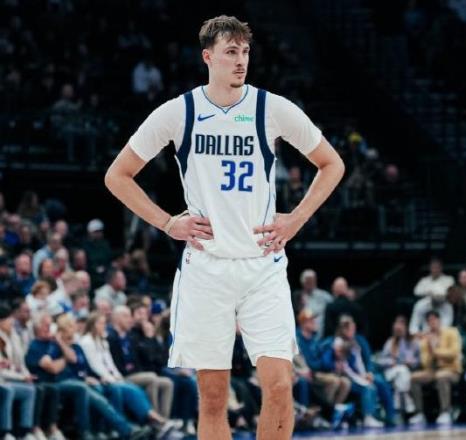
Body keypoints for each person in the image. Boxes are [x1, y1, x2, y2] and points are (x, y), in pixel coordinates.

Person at [104, 15, 345, 440]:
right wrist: (167, 222)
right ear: (208, 57)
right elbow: (117, 175)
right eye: (231, 52)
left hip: (262, 265)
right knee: (213, 397)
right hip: (207, 269)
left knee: (280, 386)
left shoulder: (272, 108)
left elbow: (332, 163)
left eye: (245, 52)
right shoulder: (180, 112)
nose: (240, 61)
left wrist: (297, 217)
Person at [78, 312, 172, 434]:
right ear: (93, 325)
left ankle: (154, 420)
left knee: (134, 389)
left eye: (104, 323)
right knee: (128, 390)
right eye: (101, 323)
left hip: (111, 377)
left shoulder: (102, 341)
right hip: (100, 378)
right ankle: (151, 420)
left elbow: (110, 363)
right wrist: (112, 379)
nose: (104, 326)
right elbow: (95, 366)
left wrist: (118, 377)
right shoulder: (87, 341)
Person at [333, 315, 395, 428]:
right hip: (349, 377)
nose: (352, 331)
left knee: (381, 381)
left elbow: (365, 360)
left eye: (352, 328)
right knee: (369, 387)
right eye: (348, 328)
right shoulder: (337, 343)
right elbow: (345, 368)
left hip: (362, 374)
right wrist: (360, 378)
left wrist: (368, 373)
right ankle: (368, 417)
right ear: (342, 329)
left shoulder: (358, 340)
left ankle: (390, 416)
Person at [409, 311, 462, 426]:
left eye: (434, 319)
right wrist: (430, 347)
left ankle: (445, 412)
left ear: (439, 320)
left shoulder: (452, 332)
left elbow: (453, 353)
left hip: (451, 370)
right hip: (432, 371)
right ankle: (419, 413)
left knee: (441, 376)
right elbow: (425, 362)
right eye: (429, 321)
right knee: (414, 378)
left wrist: (435, 350)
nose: (432, 322)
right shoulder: (426, 338)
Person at [0, 302, 37, 440]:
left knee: (30, 390)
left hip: (11, 377)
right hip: (4, 379)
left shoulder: (13, 335)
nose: (11, 322)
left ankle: (24, 431)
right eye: (8, 319)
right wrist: (21, 378)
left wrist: (26, 375)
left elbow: (20, 362)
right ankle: (4, 432)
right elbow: (2, 369)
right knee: (7, 390)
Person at [379, 315, 420, 414]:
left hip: (408, 372)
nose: (399, 327)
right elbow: (381, 361)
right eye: (397, 325)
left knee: (403, 371)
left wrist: (412, 362)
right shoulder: (390, 342)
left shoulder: (413, 342)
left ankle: (398, 398)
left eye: (401, 325)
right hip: (391, 371)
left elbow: (418, 360)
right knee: (402, 370)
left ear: (406, 327)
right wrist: (391, 362)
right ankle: (407, 399)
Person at [292, 269, 332, 336]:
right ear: (303, 282)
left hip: (322, 332)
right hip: (305, 335)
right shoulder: (298, 297)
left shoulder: (323, 295)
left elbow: (334, 304)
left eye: (313, 280)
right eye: (308, 281)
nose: (311, 283)